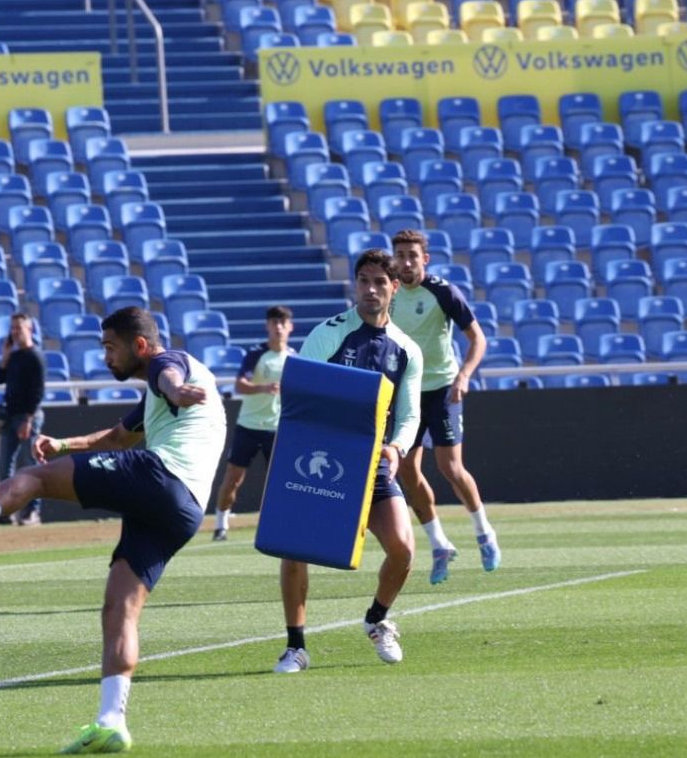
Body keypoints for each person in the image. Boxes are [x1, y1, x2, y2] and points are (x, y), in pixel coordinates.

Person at [0, 307, 226, 754]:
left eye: (111, 347)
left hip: (162, 475)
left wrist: (176, 390)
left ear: (141, 346)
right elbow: (118, 437)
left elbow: (168, 375)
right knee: (119, 608)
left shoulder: (169, 366)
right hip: (186, 508)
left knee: (31, 478)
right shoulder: (163, 392)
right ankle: (112, 722)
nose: (106, 357)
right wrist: (65, 444)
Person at [274, 248, 422, 674]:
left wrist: (397, 448)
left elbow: (410, 413)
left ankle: (377, 620)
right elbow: (298, 392)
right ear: (355, 284)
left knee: (403, 548)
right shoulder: (329, 333)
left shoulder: (406, 350)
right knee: (294, 548)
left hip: (374, 463)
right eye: (364, 281)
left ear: (395, 287)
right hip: (322, 457)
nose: (371, 290)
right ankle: (295, 646)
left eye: (380, 282)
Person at [387, 229, 501, 586]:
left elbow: (477, 338)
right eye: (400, 255)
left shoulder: (443, 292)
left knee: (450, 467)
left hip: (442, 389)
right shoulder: (387, 293)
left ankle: (484, 532)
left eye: (412, 255)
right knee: (405, 469)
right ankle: (439, 544)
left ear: (425, 259)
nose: (405, 262)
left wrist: (464, 375)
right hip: (405, 394)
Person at [211, 304, 295, 541]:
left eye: (282, 323)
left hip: (276, 428)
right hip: (248, 426)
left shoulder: (294, 357)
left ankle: (278, 525)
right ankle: (220, 525)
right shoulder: (256, 354)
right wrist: (262, 388)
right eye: (274, 323)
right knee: (233, 478)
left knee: (278, 482)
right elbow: (239, 385)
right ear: (267, 326)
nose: (278, 327)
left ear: (290, 327)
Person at [0, 310, 46, 526]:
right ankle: (7, 510)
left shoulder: (35, 356)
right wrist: (5, 355)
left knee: (31, 464)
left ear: (30, 329)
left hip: (28, 417)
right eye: (13, 328)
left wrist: (28, 419)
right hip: (10, 416)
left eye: (19, 327)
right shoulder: (14, 356)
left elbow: (38, 392)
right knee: (4, 465)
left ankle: (31, 512)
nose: (15, 332)